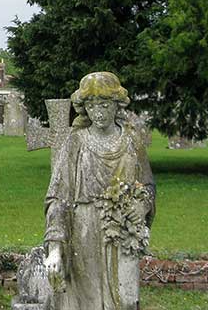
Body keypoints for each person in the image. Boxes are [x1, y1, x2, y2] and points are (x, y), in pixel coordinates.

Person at [43, 72, 155, 310]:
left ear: (117, 105)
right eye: (92, 106)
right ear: (84, 109)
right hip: (84, 232)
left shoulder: (131, 141)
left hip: (123, 231)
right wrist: (54, 247)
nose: (99, 112)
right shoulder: (76, 142)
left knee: (125, 300)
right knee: (88, 301)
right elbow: (58, 198)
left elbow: (147, 186)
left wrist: (141, 205)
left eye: (105, 105)